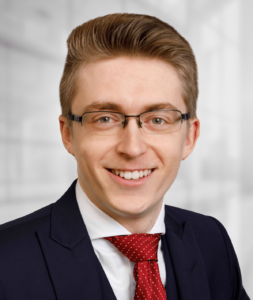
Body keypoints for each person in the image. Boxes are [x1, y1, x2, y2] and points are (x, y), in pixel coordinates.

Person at [0, 13, 250, 300]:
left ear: (189, 137)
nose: (132, 148)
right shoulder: (5, 263)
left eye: (158, 120)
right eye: (105, 118)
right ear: (68, 133)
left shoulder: (211, 241)